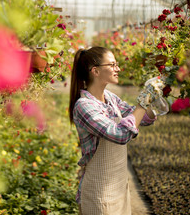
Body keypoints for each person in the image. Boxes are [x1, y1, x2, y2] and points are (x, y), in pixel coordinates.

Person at [69, 47, 167, 215]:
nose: (118, 69)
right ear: (96, 71)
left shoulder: (110, 98)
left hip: (120, 187)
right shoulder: (84, 106)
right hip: (99, 192)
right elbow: (120, 134)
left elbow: (142, 118)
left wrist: (155, 96)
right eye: (113, 64)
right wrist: (144, 100)